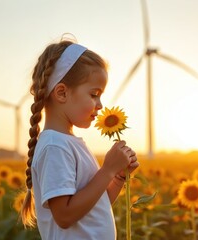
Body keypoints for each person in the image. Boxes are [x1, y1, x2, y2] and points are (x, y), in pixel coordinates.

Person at [21, 38, 139, 239]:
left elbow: (93, 207)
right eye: (94, 94)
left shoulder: (67, 143)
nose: (100, 104)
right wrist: (107, 169)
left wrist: (116, 177)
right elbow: (65, 216)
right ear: (62, 93)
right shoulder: (54, 147)